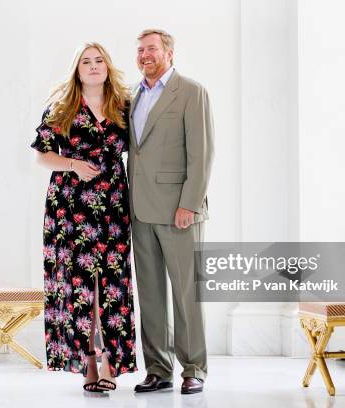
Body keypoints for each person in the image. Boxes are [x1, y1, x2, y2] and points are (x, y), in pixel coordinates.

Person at [30, 42, 137, 393]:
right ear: (77, 70)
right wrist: (73, 163)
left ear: (108, 67)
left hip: (113, 203)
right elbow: (42, 156)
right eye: (86, 62)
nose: (93, 66)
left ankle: (110, 360)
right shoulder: (62, 107)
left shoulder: (125, 106)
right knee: (79, 282)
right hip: (69, 204)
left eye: (99, 60)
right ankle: (89, 360)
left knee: (111, 282)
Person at [128, 29, 214, 395]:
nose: (145, 55)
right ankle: (158, 369)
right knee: (150, 294)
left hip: (180, 210)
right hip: (140, 209)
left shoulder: (191, 92)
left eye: (152, 49)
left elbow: (202, 154)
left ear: (169, 53)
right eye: (140, 50)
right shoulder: (132, 96)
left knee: (185, 294)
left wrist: (189, 205)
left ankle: (194, 368)